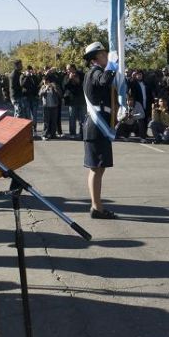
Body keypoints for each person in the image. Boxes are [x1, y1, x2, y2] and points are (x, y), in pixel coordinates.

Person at [83, 42, 118, 219]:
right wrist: (112, 66)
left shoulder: (95, 71)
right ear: (95, 58)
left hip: (99, 125)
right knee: (96, 168)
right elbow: (104, 81)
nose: (106, 57)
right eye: (104, 55)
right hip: (96, 127)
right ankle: (97, 207)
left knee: (99, 167)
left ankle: (97, 206)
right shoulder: (95, 72)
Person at [63, 64, 86, 138]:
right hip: (72, 101)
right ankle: (72, 133)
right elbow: (64, 86)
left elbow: (85, 85)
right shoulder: (66, 76)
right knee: (72, 118)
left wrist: (77, 80)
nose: (67, 70)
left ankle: (82, 133)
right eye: (66, 69)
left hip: (81, 100)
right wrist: (69, 79)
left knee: (83, 119)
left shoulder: (82, 75)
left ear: (73, 68)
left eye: (68, 69)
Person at [39, 74, 62, 140]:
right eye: (44, 81)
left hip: (54, 106)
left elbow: (60, 94)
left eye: (46, 81)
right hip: (46, 107)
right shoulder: (43, 87)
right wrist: (45, 89)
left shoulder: (54, 86)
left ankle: (53, 134)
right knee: (46, 121)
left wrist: (55, 88)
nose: (45, 83)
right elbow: (40, 94)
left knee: (54, 121)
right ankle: (45, 134)